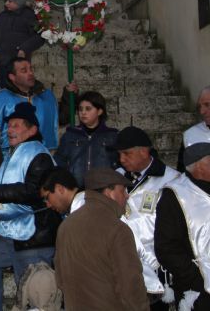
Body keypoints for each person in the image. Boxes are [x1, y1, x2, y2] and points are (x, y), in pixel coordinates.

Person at [0, 102, 60, 311]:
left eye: (17, 125)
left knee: (31, 289)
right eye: (9, 125)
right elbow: (6, 188)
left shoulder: (39, 155)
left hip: (35, 237)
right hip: (12, 235)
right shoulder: (13, 154)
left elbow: (36, 191)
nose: (10, 130)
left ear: (32, 130)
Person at [54, 168, 149, 310]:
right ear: (109, 192)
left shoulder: (66, 226)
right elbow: (130, 285)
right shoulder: (117, 229)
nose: (127, 196)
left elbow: (60, 279)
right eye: (123, 190)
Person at [112, 126, 180, 309]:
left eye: (126, 154)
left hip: (157, 263)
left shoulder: (171, 179)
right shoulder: (115, 177)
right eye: (119, 154)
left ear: (143, 151)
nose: (121, 159)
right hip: (123, 259)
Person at [155, 129, 210, 310]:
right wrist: (195, 278)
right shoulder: (175, 196)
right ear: (198, 166)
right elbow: (166, 247)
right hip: (196, 290)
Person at [0, 57, 58, 156]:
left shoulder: (46, 96)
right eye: (24, 70)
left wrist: (68, 97)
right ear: (12, 77)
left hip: (44, 155)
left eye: (31, 69)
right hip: (11, 158)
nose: (30, 73)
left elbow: (60, 119)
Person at [54, 91, 118, 188]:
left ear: (99, 111)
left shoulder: (112, 136)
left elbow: (117, 165)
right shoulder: (70, 135)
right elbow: (59, 162)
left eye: (88, 109)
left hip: (103, 191)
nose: (83, 112)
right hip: (76, 190)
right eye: (80, 109)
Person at [0, 0, 44, 85]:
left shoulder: (29, 16)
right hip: (2, 61)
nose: (6, 3)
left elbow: (39, 37)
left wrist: (24, 49)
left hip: (19, 63)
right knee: (3, 85)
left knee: (19, 87)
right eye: (6, 0)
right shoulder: (2, 16)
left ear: (19, 2)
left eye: (10, 1)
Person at [177, 86, 210, 171]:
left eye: (207, 105)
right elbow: (182, 172)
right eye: (200, 106)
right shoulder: (190, 135)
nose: (202, 111)